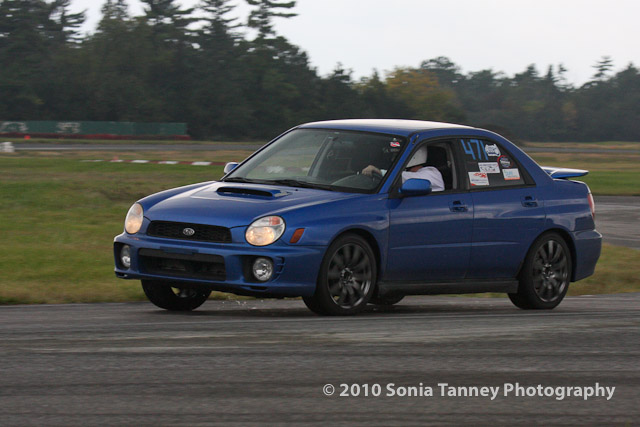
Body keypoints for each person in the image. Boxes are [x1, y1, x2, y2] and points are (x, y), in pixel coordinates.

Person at [361, 146, 445, 192]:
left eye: (397, 156)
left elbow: (403, 177)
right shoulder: (412, 173)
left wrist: (378, 171)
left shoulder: (431, 173)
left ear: (414, 157)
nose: (394, 159)